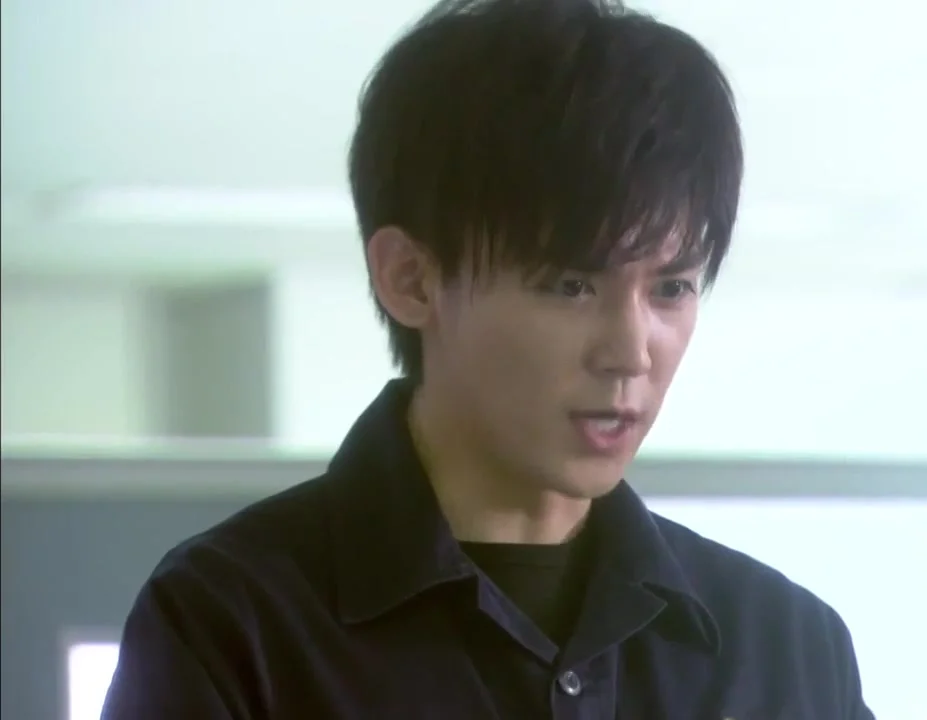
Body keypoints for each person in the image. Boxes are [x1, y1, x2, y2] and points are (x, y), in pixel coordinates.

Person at [101, 0, 876, 717]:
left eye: (671, 288)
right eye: (571, 285)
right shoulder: (234, 625)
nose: (631, 351)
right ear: (411, 279)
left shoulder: (785, 649)